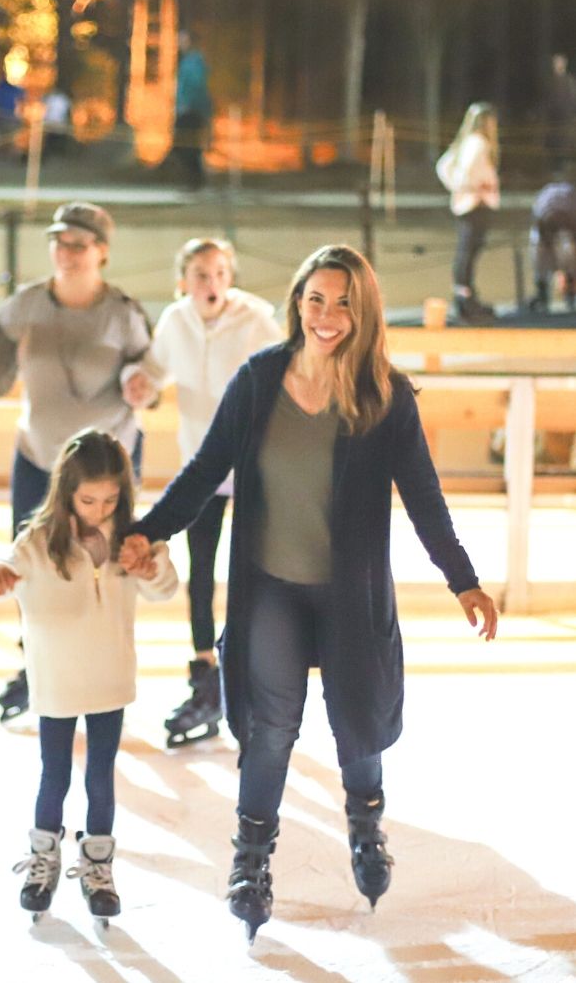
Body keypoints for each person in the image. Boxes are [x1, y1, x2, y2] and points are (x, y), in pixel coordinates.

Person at [119, 244, 498, 942]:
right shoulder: (260, 381)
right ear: (297, 302)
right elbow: (205, 470)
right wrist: (150, 531)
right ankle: (251, 861)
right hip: (270, 589)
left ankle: (365, 825)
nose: (327, 315)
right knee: (269, 731)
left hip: (350, 594)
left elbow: (424, 499)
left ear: (364, 311)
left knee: (358, 725)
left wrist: (463, 579)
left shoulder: (386, 394)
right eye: (316, 299)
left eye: (343, 302)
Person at [0, 201, 155, 718]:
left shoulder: (123, 311)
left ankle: (100, 673)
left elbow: (149, 372)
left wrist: (143, 385)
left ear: (102, 253)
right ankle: (35, 667)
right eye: (59, 241)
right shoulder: (28, 304)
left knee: (105, 567)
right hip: (39, 459)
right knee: (30, 564)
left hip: (107, 468)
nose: (66, 252)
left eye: (78, 244)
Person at [0, 430, 178, 929]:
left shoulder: (133, 538)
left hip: (110, 679)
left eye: (109, 499)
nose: (98, 509)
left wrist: (148, 568)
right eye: (88, 499)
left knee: (101, 774)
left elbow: (167, 588)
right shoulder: (38, 542)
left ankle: (98, 869)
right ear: (66, 490)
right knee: (55, 772)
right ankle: (42, 862)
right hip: (57, 681)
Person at [119, 237, 280, 747]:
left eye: (218, 274)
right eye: (199, 275)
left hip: (255, 464)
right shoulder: (174, 321)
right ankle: (204, 676)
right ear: (183, 281)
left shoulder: (255, 319)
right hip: (203, 464)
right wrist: (140, 384)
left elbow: (286, 372)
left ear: (230, 277)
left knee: (252, 572)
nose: (210, 284)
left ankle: (254, 681)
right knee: (201, 571)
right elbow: (153, 370)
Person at [437, 102, 501, 322]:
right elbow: (462, 174)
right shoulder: (478, 144)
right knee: (468, 253)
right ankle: (466, 300)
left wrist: (461, 186)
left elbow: (443, 166)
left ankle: (465, 297)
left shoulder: (466, 142)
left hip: (470, 205)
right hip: (476, 206)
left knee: (468, 253)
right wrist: (472, 187)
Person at [171, 29, 212, 190]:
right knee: (184, 147)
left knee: (188, 147)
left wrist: (189, 104)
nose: (179, 43)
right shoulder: (187, 61)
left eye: (183, 39)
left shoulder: (194, 62)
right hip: (185, 109)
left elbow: (196, 86)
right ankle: (194, 181)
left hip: (191, 111)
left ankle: (196, 182)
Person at [529, 179, 576, 311]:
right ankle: (543, 296)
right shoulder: (545, 213)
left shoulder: (571, 213)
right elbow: (543, 241)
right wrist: (559, 273)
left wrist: (566, 274)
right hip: (544, 219)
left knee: (569, 252)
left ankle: (569, 295)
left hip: (560, 215)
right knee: (541, 252)